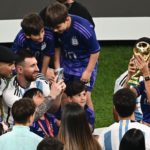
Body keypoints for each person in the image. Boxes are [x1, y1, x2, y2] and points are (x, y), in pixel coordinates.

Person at [46, 2, 100, 110]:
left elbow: (95, 51)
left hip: (84, 64)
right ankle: (67, 123)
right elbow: (57, 48)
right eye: (53, 28)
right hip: (67, 63)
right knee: (65, 94)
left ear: (67, 19)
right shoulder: (56, 27)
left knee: (84, 95)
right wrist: (58, 69)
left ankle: (89, 124)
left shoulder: (83, 28)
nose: (55, 30)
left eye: (57, 27)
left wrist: (88, 72)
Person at [2, 49, 65, 126]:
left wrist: (58, 94)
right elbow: (28, 118)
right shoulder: (9, 91)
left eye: (36, 64)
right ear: (20, 70)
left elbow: (52, 109)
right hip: (16, 130)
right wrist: (51, 96)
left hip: (39, 126)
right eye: (32, 66)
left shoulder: (40, 78)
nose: (37, 69)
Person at [12, 13, 55, 78]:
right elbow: (15, 59)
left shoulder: (49, 35)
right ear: (28, 35)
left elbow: (47, 56)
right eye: (36, 35)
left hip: (40, 63)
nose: (41, 36)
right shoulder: (21, 39)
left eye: (42, 31)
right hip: (24, 65)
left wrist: (42, 77)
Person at [123, 37, 150, 126]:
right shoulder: (143, 84)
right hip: (145, 128)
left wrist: (146, 74)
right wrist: (130, 76)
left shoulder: (146, 79)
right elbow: (124, 98)